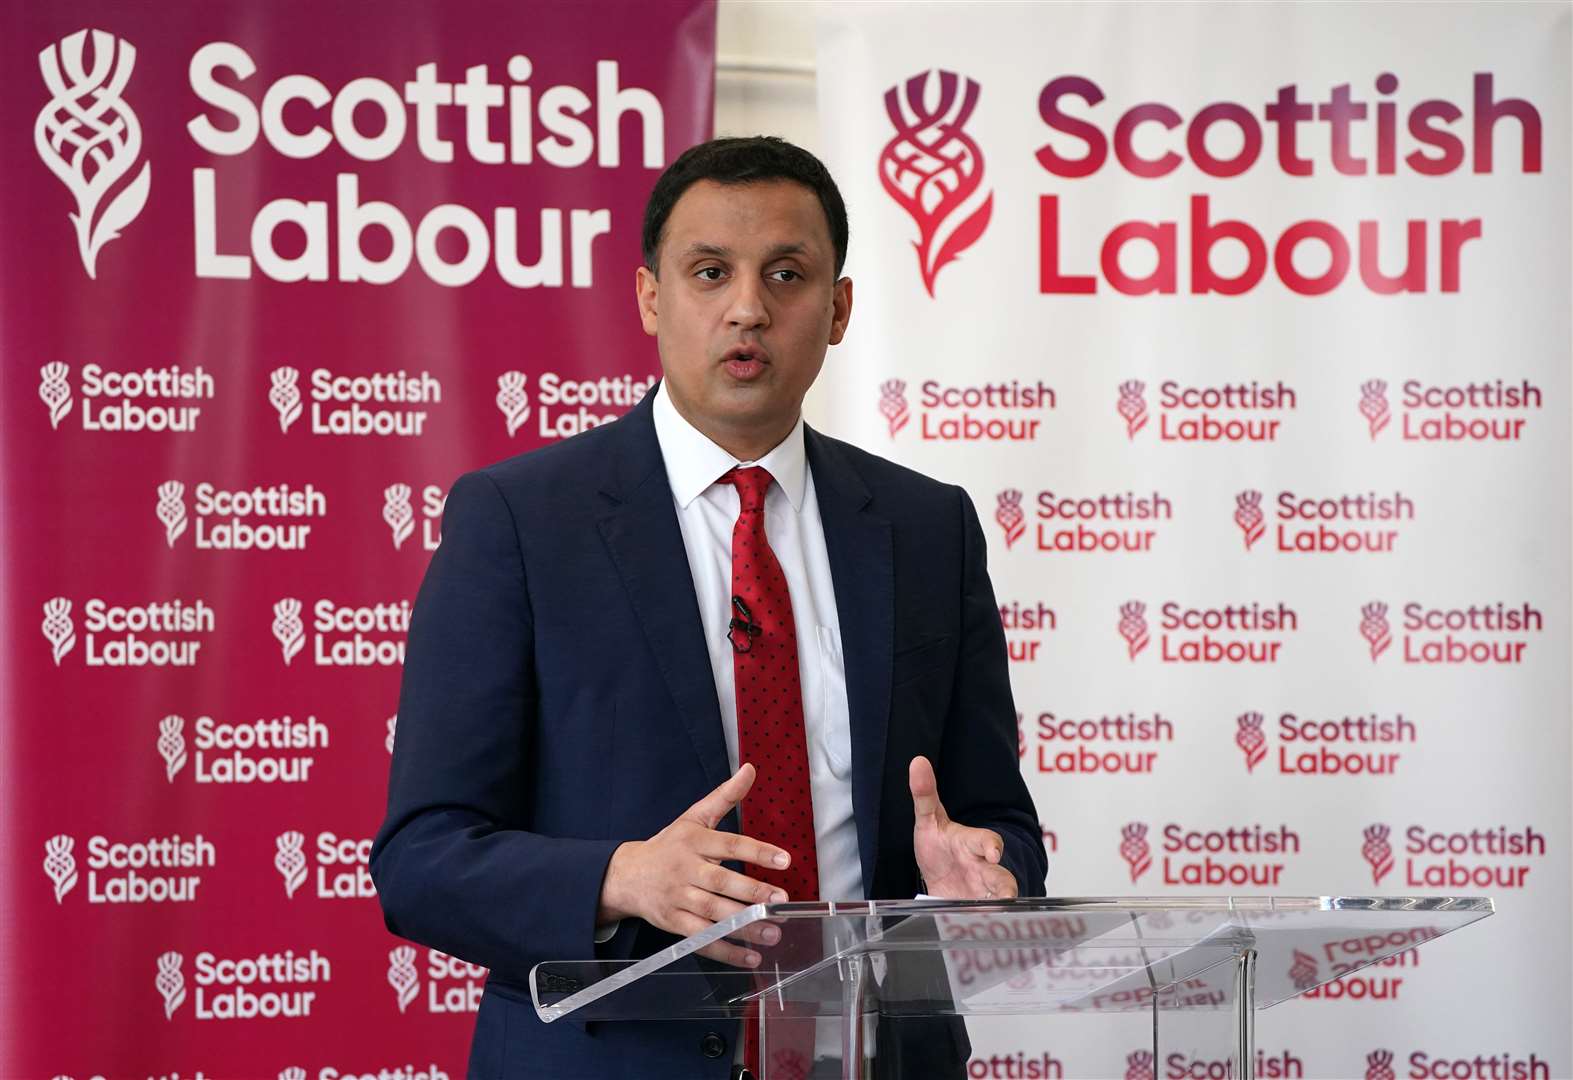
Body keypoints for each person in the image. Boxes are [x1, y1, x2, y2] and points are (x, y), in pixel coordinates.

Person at [370, 135, 1047, 1080]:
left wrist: (983, 876)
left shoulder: (928, 527)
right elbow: (422, 859)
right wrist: (619, 878)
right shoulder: (522, 522)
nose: (748, 308)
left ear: (839, 308)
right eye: (709, 272)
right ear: (651, 297)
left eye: (786, 274)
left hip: (878, 1054)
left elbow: (994, 820)